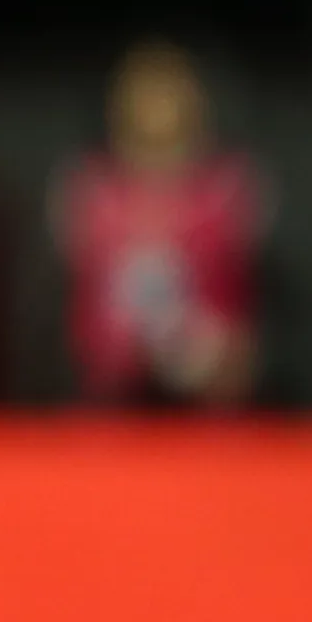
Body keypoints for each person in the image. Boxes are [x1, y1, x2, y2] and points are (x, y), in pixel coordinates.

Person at [52, 38, 267, 410]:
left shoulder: (226, 194)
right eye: (146, 99)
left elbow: (241, 312)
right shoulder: (94, 195)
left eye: (168, 98)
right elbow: (83, 321)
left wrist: (205, 348)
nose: (158, 110)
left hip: (211, 398)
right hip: (113, 399)